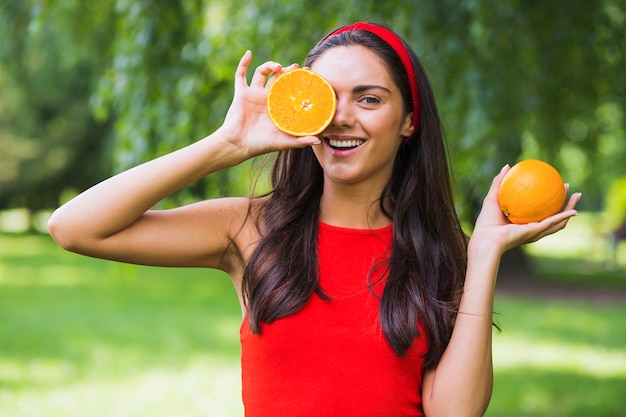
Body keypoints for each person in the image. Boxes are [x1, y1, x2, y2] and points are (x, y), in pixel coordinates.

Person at [48, 22, 580, 417]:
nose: (342, 117)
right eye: (329, 98)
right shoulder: (249, 229)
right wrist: (226, 144)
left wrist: (482, 255)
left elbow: (453, 412)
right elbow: (74, 227)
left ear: (410, 121)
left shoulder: (441, 254)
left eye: (369, 99)